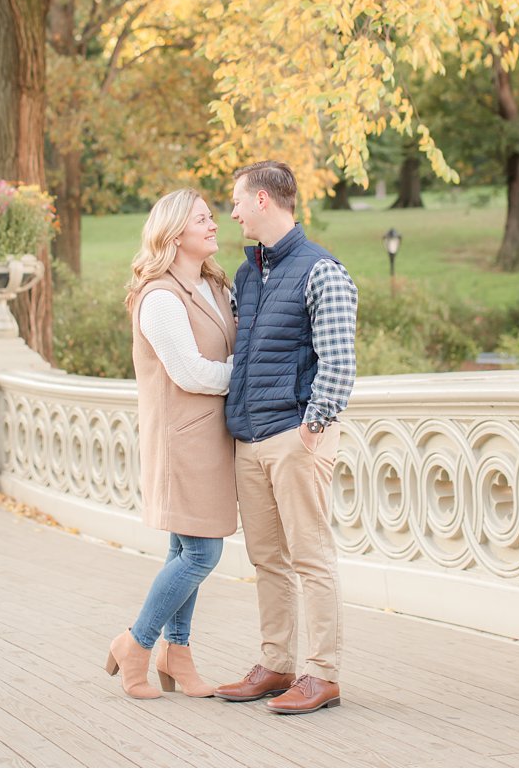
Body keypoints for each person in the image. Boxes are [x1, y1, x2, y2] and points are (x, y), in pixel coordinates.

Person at [213, 160, 357, 716]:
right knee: (267, 558)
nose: (232, 211)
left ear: (264, 201)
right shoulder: (249, 276)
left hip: (296, 436)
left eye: (237, 200)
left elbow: (339, 363)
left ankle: (322, 674)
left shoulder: (322, 271)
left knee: (310, 556)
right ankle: (277, 664)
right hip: (249, 439)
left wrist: (313, 428)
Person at [105, 188, 238, 700]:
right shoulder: (160, 296)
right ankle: (135, 643)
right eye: (202, 219)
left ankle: (176, 653)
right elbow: (189, 372)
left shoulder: (212, 286)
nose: (214, 225)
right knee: (202, 553)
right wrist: (246, 379)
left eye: (211, 217)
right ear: (175, 232)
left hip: (212, 438)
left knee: (184, 548)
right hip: (181, 442)